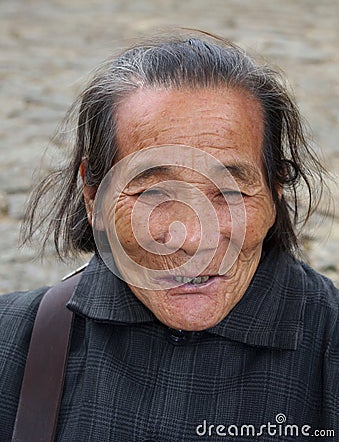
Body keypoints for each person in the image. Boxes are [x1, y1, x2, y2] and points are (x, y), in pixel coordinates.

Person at [0, 30, 338, 441]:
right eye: (154, 193)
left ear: (275, 191)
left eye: (229, 191)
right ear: (93, 195)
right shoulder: (10, 341)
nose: (194, 238)